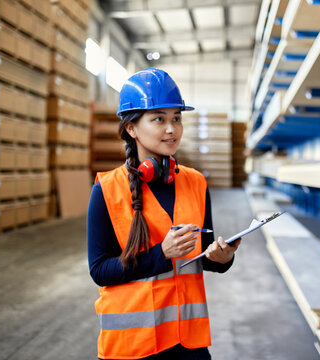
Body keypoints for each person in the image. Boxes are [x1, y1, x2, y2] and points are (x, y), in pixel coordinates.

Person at [87, 68, 241, 359]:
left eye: (177, 118)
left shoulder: (196, 182)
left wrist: (222, 259)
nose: (172, 129)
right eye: (159, 119)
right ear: (132, 128)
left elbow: (201, 259)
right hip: (133, 346)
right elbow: (99, 270)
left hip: (188, 344)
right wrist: (161, 254)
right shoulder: (107, 190)